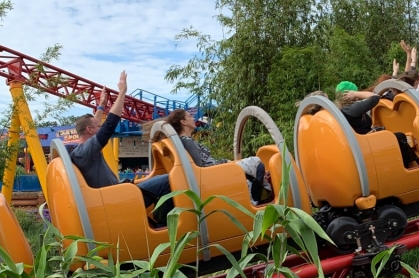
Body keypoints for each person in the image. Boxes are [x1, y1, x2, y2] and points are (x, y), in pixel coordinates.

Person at [71, 72, 174, 225]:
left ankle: (153, 225)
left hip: (118, 193)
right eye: (97, 127)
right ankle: (164, 227)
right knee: (168, 180)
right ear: (89, 130)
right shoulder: (84, 152)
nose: (100, 127)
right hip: (117, 199)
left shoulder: (82, 150)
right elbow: (109, 125)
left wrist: (101, 105)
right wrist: (122, 92)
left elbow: (95, 124)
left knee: (158, 180)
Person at [153, 108, 271, 204]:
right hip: (213, 172)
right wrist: (225, 162)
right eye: (189, 116)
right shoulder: (187, 141)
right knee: (257, 163)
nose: (193, 118)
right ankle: (256, 200)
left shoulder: (183, 141)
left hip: (215, 169)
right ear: (183, 122)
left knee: (252, 169)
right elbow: (201, 165)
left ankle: (258, 195)